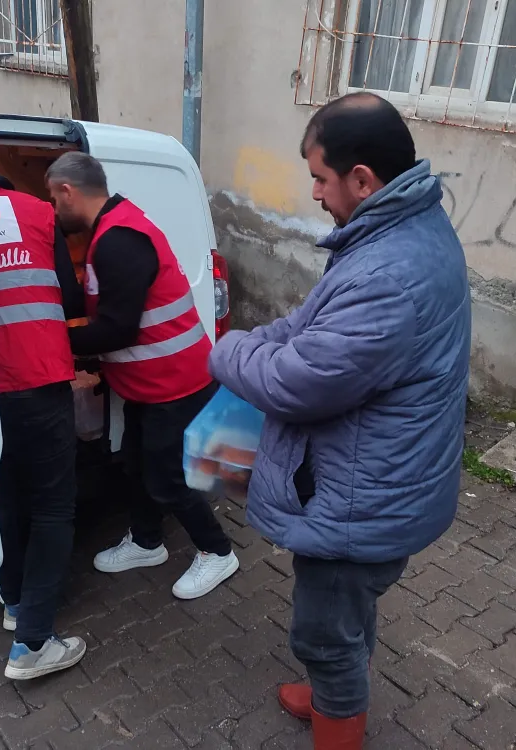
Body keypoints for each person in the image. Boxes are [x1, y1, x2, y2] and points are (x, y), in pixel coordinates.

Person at [207, 93, 471, 748]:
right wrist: (262, 338)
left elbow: (297, 383)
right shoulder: (401, 228)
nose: (316, 194)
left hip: (361, 497)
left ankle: (338, 714)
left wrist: (227, 349)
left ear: (362, 179)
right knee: (345, 612)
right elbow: (311, 326)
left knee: (324, 630)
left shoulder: (390, 272)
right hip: (377, 478)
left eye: (321, 178)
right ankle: (334, 691)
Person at [45, 152, 239, 600]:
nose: (53, 211)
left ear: (68, 192)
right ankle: (148, 542)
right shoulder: (111, 229)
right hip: (149, 385)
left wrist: (51, 342)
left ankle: (217, 551)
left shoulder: (119, 239)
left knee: (168, 478)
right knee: (135, 466)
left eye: (53, 200)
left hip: (176, 383)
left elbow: (118, 329)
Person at [0, 168, 86, 680]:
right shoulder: (39, 212)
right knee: (53, 506)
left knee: (5, 492)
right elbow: (71, 298)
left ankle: (15, 602)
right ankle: (33, 643)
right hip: (39, 378)